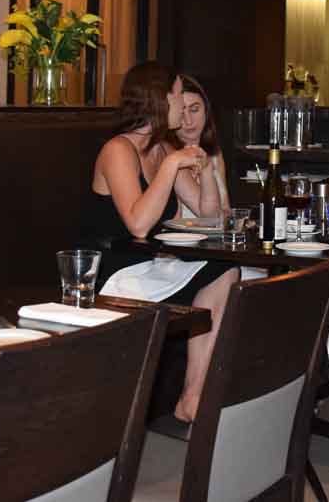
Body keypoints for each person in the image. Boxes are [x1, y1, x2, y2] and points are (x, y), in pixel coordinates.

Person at [87, 61, 237, 424]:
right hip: (113, 270)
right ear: (159, 99)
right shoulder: (118, 149)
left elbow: (208, 214)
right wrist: (171, 167)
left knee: (225, 270)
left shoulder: (162, 149)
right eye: (177, 95)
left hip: (149, 264)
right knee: (221, 273)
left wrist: (207, 170)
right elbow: (138, 224)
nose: (182, 106)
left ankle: (193, 396)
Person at [175, 75, 229, 226]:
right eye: (181, 112)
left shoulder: (214, 153)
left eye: (194, 110)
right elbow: (209, 215)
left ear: (206, 109)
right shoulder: (169, 155)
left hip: (214, 236)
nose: (188, 121)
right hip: (181, 238)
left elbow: (225, 209)